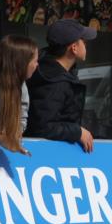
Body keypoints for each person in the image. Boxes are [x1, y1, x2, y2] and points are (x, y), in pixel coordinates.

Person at [25, 19, 97, 153]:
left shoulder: (53, 71)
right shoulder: (55, 81)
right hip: (45, 156)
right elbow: (44, 127)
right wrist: (78, 132)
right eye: (84, 41)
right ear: (74, 48)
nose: (86, 44)